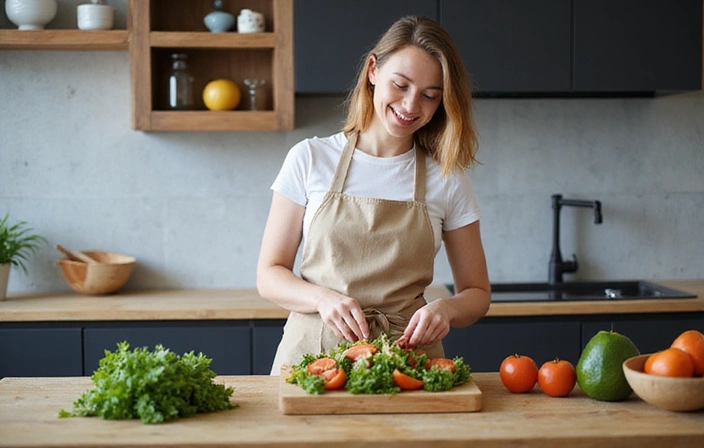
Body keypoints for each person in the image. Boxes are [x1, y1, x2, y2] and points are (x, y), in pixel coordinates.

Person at [257, 15, 490, 374]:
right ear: (372, 71)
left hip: (408, 362)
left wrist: (445, 309)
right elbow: (269, 275)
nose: (411, 106)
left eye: (430, 96)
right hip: (312, 357)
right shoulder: (310, 158)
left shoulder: (447, 178)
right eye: (401, 85)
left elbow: (476, 293)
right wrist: (321, 298)